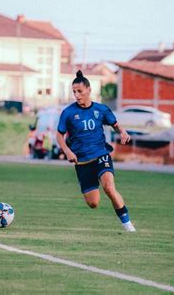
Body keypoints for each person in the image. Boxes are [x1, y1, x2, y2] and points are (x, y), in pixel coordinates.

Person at [56, 70, 136, 232]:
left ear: (89, 90)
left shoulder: (101, 109)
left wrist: (123, 132)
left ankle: (128, 225)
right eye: (74, 92)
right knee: (93, 203)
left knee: (109, 187)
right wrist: (68, 151)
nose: (77, 95)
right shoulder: (69, 112)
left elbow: (115, 124)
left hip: (101, 155)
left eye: (80, 91)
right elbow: (59, 135)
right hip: (82, 161)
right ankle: (93, 190)